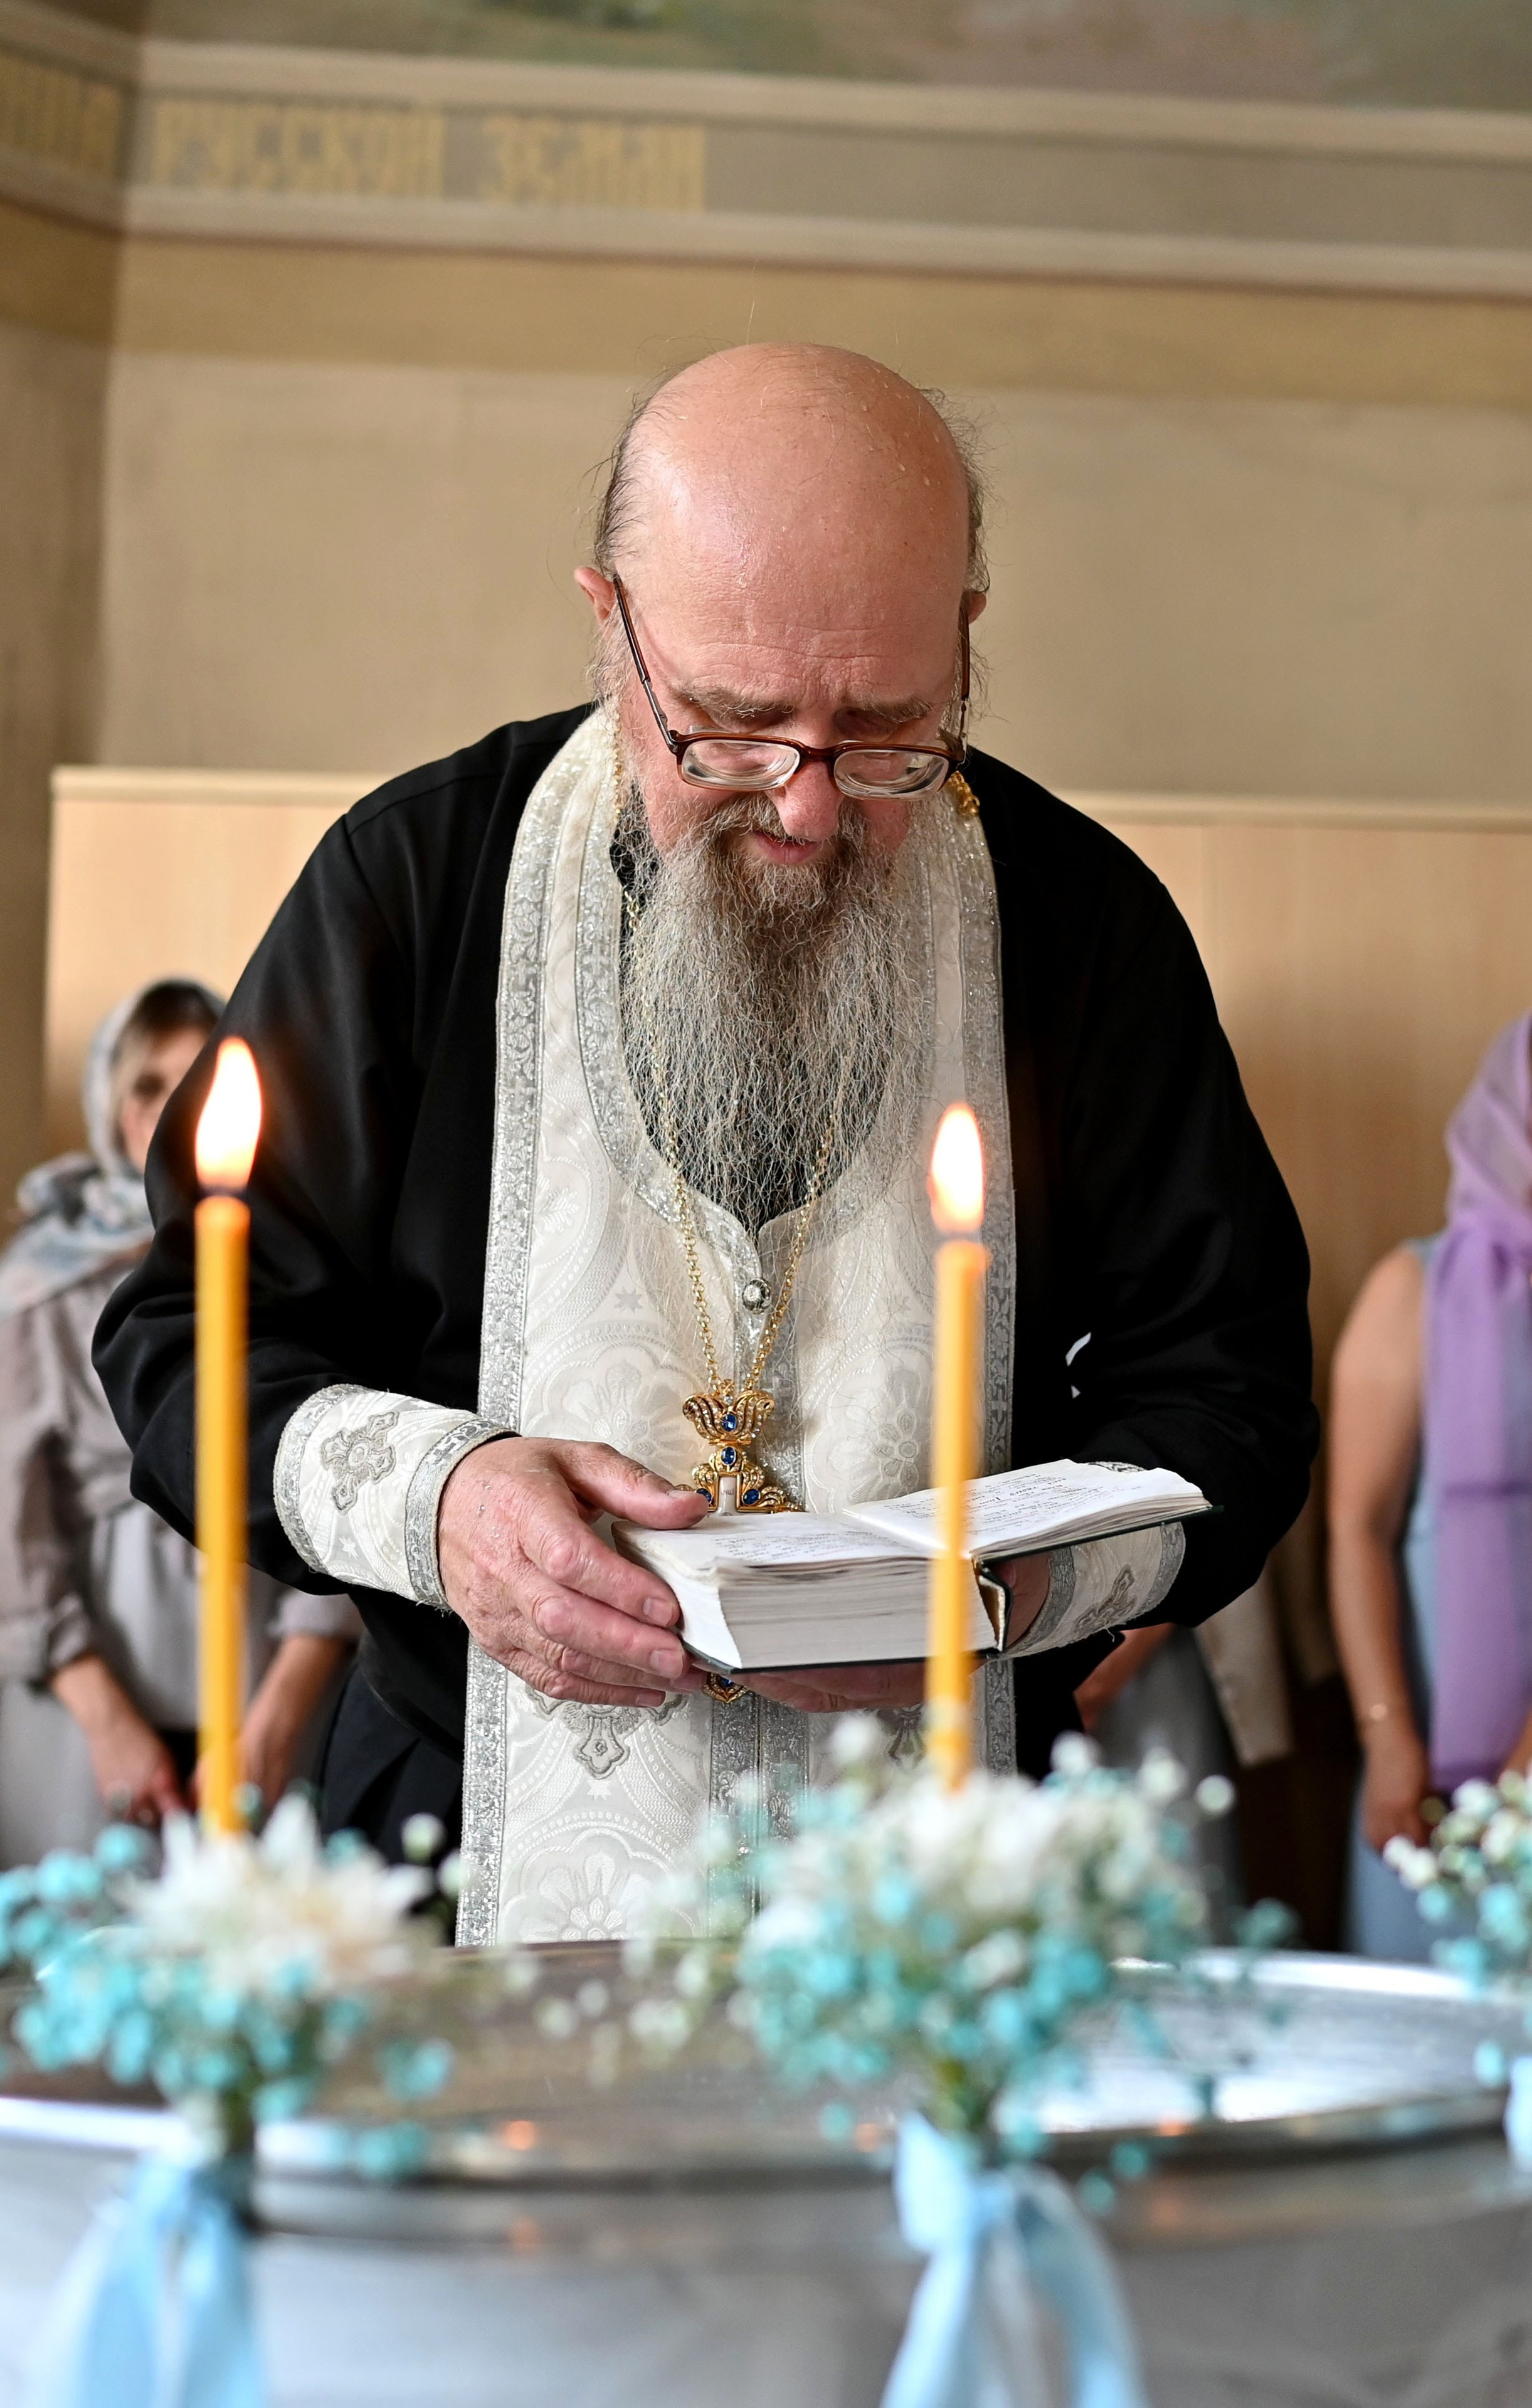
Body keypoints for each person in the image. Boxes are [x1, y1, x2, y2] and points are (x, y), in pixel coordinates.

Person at [95, 345, 1317, 1940]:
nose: (806, 809)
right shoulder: (416, 884)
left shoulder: (1081, 923)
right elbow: (185, 1332)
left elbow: (1227, 1385)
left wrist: (1002, 1599)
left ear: (960, 636)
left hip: (936, 1890)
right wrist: (446, 1508)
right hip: (450, 1858)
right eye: (733, 733)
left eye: (889, 734)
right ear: (613, 626)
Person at [0, 980, 358, 1861]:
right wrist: (103, 1717)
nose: (170, 1110)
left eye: (195, 1078)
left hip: (272, 1690)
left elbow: (348, 1474)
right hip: (85, 1709)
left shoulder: (304, 1269)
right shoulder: (37, 1288)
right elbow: (13, 1529)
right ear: (110, 1104)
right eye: (148, 1085)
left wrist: (285, 1702)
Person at [1328, 1003, 1532, 1959]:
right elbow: (1357, 1526)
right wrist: (1387, 1735)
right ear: (1510, 1113)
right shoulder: (1416, 1286)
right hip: (1433, 1735)